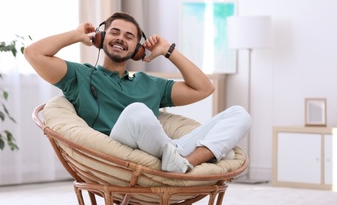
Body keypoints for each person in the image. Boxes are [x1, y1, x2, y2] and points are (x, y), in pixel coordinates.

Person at [24, 12, 251, 173]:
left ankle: (184, 162)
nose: (121, 38)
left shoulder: (149, 83)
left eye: (129, 36)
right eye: (114, 32)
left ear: (137, 50)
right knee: (137, 110)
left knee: (240, 114)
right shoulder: (79, 75)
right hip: (117, 149)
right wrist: (75, 35)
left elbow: (205, 88)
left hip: (167, 151)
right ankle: (182, 157)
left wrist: (167, 51)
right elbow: (33, 53)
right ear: (101, 39)